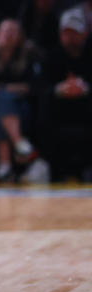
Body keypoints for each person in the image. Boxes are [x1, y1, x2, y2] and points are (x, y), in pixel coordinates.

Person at [0, 19, 42, 181]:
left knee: (1, 104)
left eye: (13, 32)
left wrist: (6, 89)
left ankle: (4, 165)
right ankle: (20, 144)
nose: (8, 35)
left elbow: (33, 87)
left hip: (19, 108)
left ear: (19, 37)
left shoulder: (28, 58)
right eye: (5, 31)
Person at [38, 9, 92, 180]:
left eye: (74, 33)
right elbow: (39, 88)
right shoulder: (51, 57)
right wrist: (59, 90)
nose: (70, 37)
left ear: (84, 34)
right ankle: (45, 164)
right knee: (44, 103)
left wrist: (85, 89)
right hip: (58, 116)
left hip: (86, 113)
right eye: (66, 33)